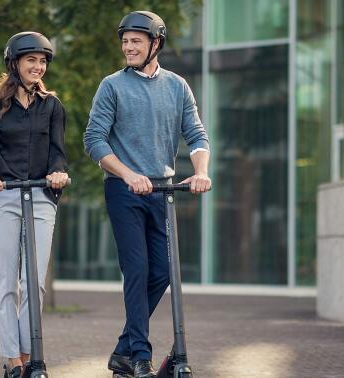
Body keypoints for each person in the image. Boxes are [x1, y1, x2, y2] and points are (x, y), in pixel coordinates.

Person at [84, 11, 211, 378]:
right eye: (125, 41)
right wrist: (128, 174)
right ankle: (140, 355)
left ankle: (123, 350)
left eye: (136, 41)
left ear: (156, 43)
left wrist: (201, 172)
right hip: (125, 191)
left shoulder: (177, 86)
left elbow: (197, 135)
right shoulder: (111, 85)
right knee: (137, 270)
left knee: (165, 271)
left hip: (163, 192)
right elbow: (94, 140)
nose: (128, 47)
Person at [0, 31, 69, 378]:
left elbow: (58, 154)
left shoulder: (53, 107)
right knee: (8, 283)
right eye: (32, 60)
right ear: (15, 64)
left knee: (35, 282)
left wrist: (58, 173)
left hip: (41, 198)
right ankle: (12, 361)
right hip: (4, 198)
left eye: (43, 61)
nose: (38, 67)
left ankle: (30, 357)